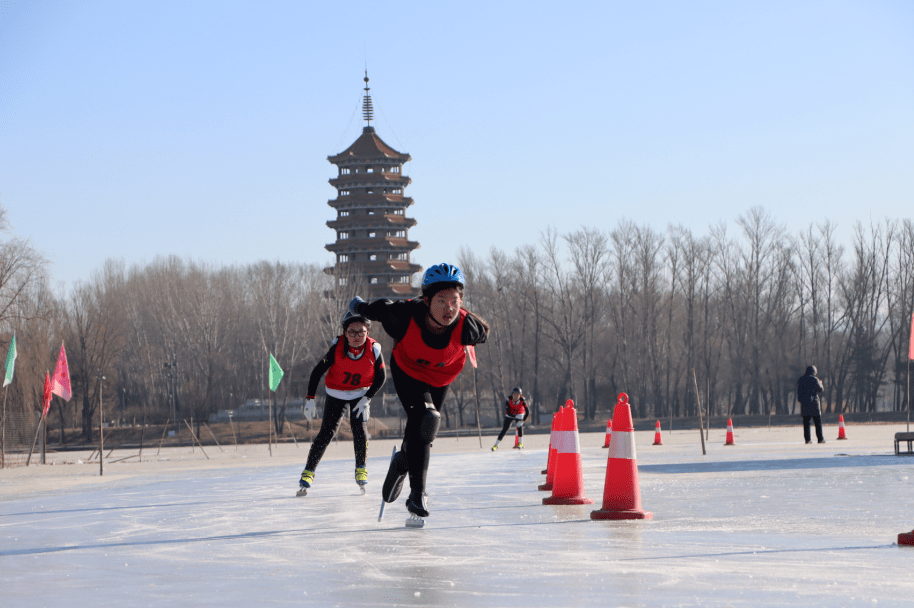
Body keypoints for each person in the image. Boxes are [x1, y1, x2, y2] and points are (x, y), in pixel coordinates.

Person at [349, 263, 489, 519]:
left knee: (422, 431)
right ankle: (417, 496)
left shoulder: (467, 326)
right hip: (408, 372)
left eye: (455, 301)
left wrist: (474, 336)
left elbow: (483, 333)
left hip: (441, 378)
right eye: (441, 300)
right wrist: (359, 307)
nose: (449, 308)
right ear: (426, 300)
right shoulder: (403, 316)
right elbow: (377, 309)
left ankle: (403, 460)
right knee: (428, 419)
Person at [297, 310, 387, 495]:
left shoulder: (374, 349)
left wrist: (367, 398)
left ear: (367, 331)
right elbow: (316, 372)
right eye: (352, 332)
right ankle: (308, 472)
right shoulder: (337, 348)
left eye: (360, 331)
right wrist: (310, 399)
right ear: (345, 332)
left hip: (359, 394)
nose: (356, 336)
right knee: (327, 432)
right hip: (336, 392)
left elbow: (381, 377)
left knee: (359, 428)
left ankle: (361, 468)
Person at [797, 365, 825, 444]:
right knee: (818, 422)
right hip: (814, 404)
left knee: (806, 423)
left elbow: (799, 392)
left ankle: (807, 439)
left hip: (804, 404)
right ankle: (820, 439)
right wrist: (820, 383)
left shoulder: (801, 379)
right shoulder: (814, 379)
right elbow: (820, 389)